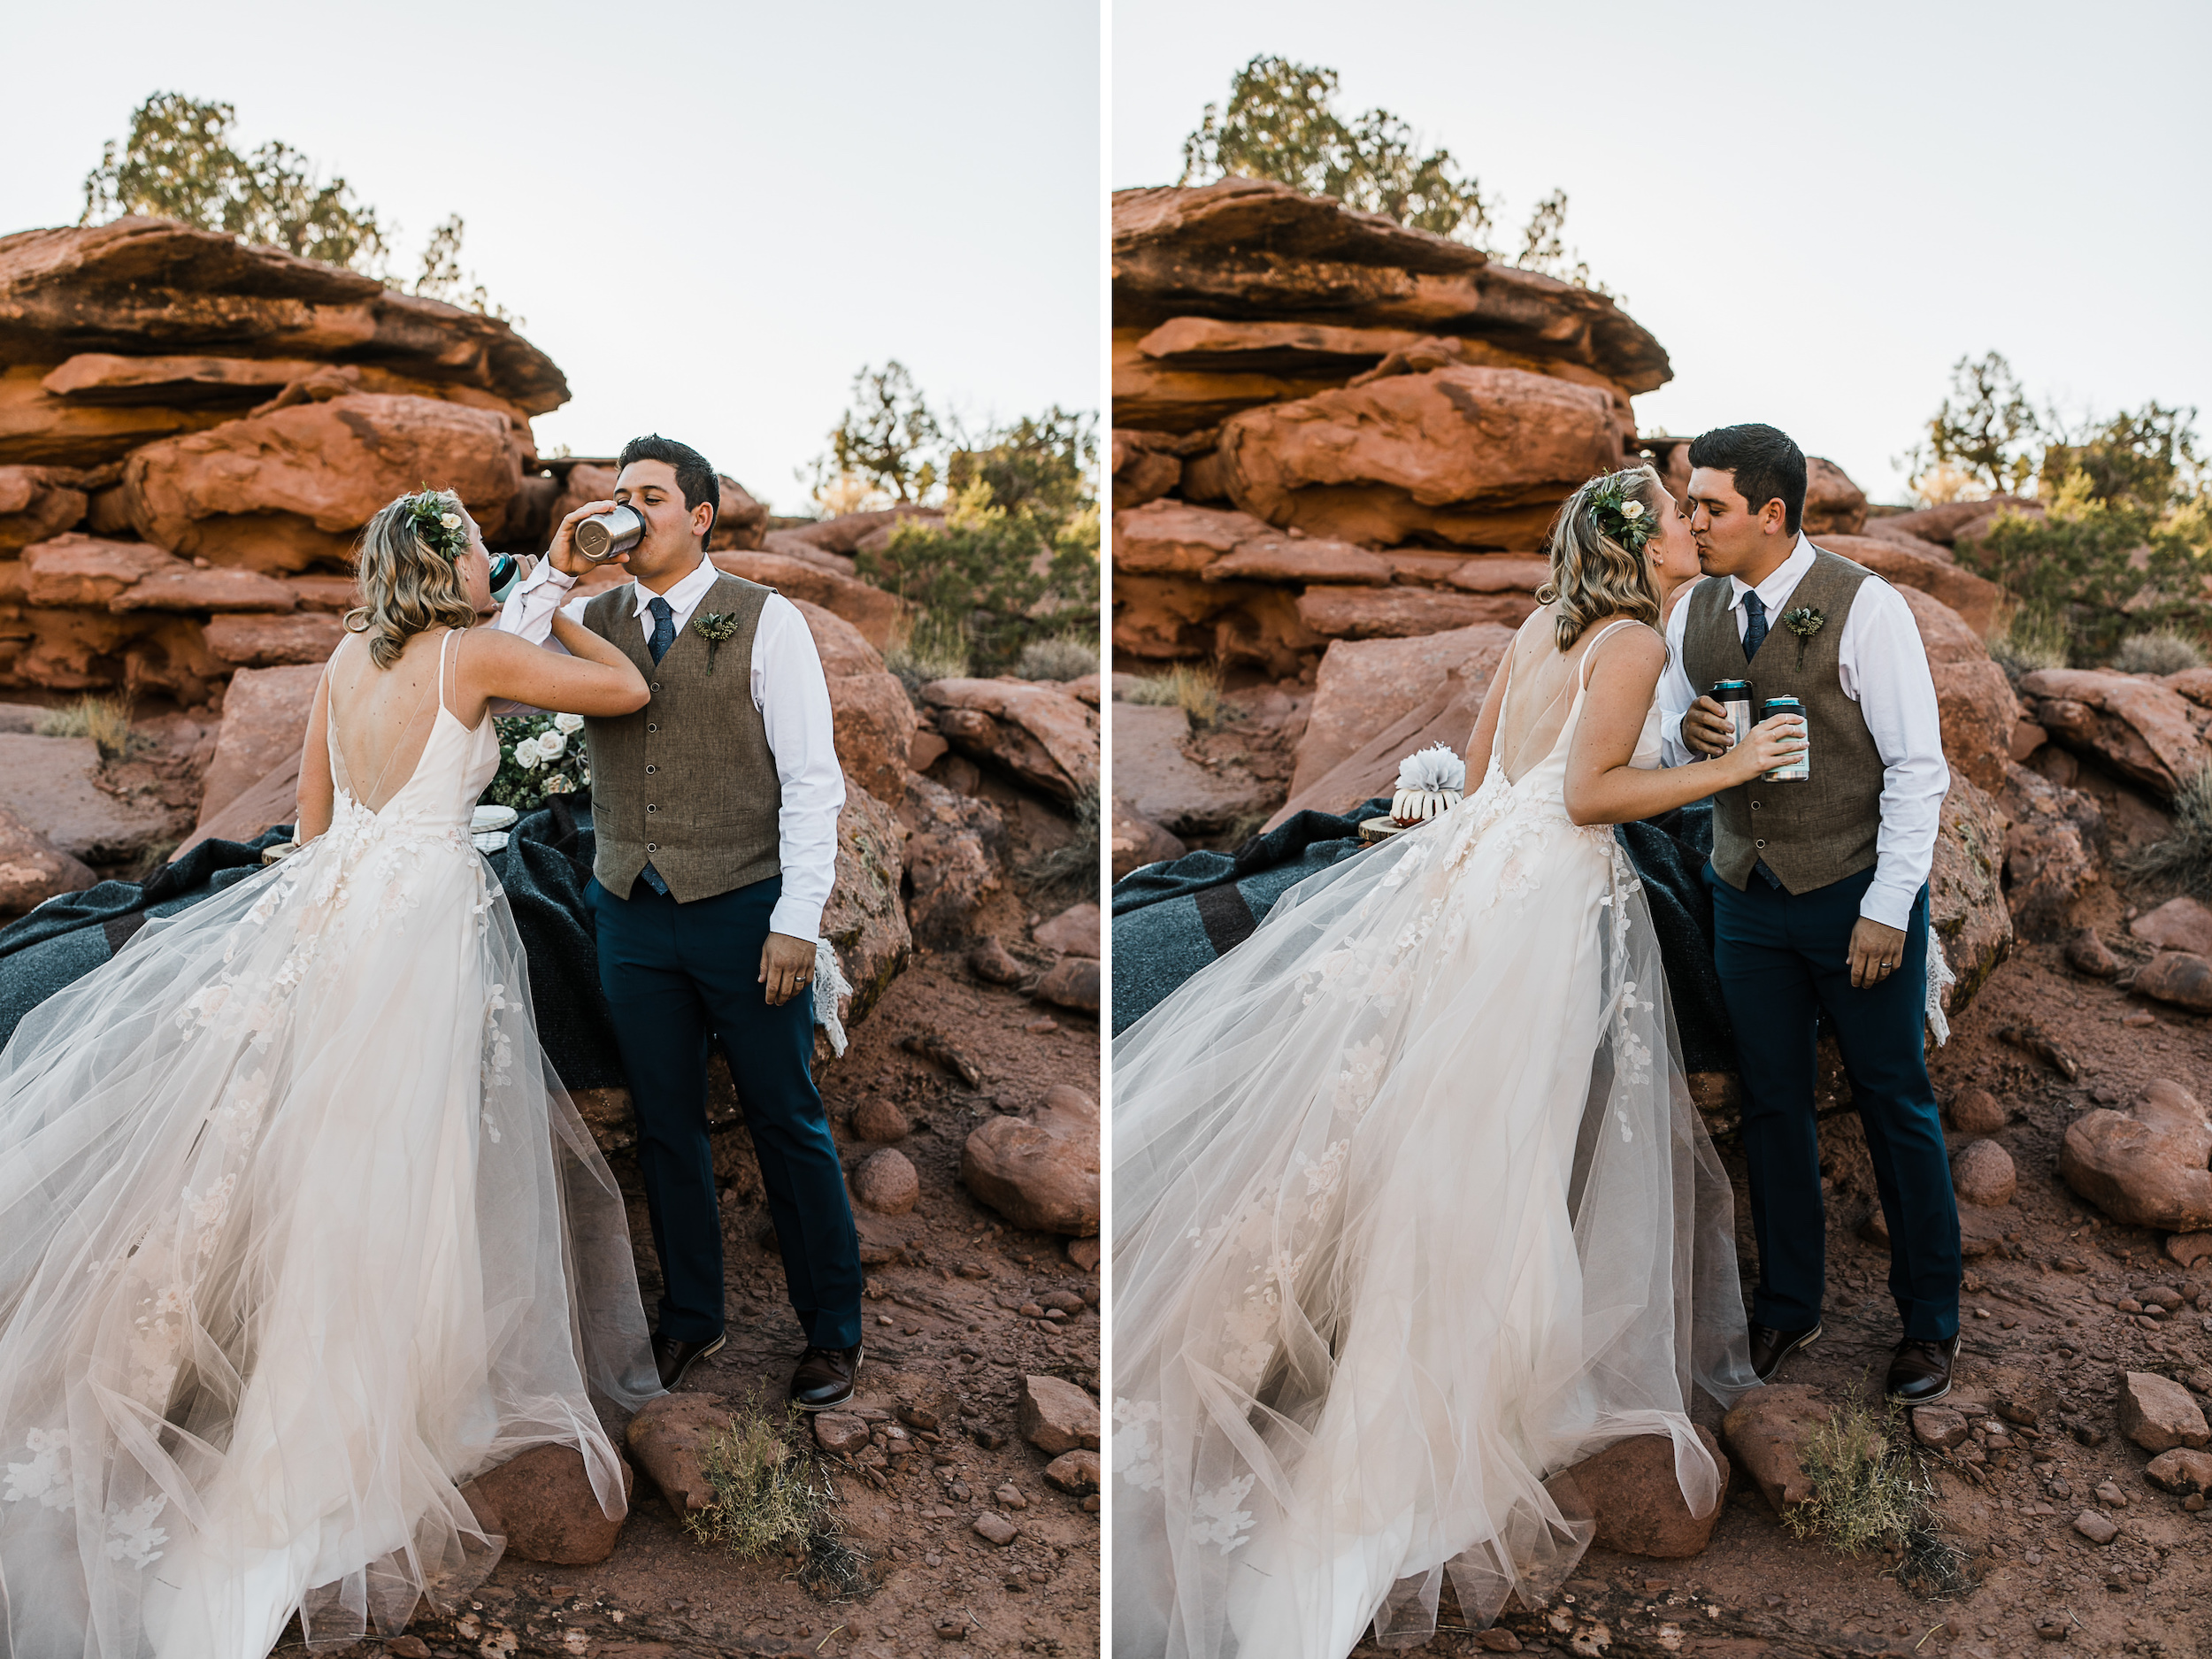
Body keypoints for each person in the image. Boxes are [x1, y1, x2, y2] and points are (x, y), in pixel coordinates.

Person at [1111, 465, 1796, 1659]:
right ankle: (1417, 1411)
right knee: (1489, 1150)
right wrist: (1733, 768)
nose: (1698, 525)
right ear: (1644, 548)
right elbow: (1589, 798)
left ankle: (1320, 1354)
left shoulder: (1545, 623)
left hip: (1472, 879)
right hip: (1539, 907)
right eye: (1682, 515)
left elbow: (1480, 779)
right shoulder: (1632, 638)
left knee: (1426, 1128)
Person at [0, 490, 662, 1656]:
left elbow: (308, 828)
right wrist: (569, 607)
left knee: (306, 1149)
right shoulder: (480, 652)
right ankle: (345, 1419)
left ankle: (230, 1372)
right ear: (444, 565)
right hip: (418, 932)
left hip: (331, 914)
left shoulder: (348, 656)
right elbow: (627, 692)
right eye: (472, 541)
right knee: (394, 1159)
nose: (487, 555)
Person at [494, 434, 864, 1409]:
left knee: (787, 1121)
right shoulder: (595, 613)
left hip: (745, 911)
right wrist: (554, 570)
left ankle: (832, 1332)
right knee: (667, 1129)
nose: (630, 509)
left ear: (698, 516)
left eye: (650, 496)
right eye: (621, 494)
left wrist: (797, 920)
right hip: (629, 912)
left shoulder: (764, 620)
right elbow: (495, 660)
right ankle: (692, 1320)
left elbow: (813, 782)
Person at [1657, 423, 1958, 1403]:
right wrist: (1690, 739)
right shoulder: (1691, 613)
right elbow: (1665, 753)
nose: (1692, 521)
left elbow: (1918, 768)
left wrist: (1885, 908)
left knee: (1894, 1102)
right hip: (1745, 900)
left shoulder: (1866, 608)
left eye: (1710, 507)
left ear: (1771, 515)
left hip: (1854, 896)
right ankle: (1789, 1305)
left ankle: (1929, 1325)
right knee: (1772, 1103)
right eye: (1689, 504)